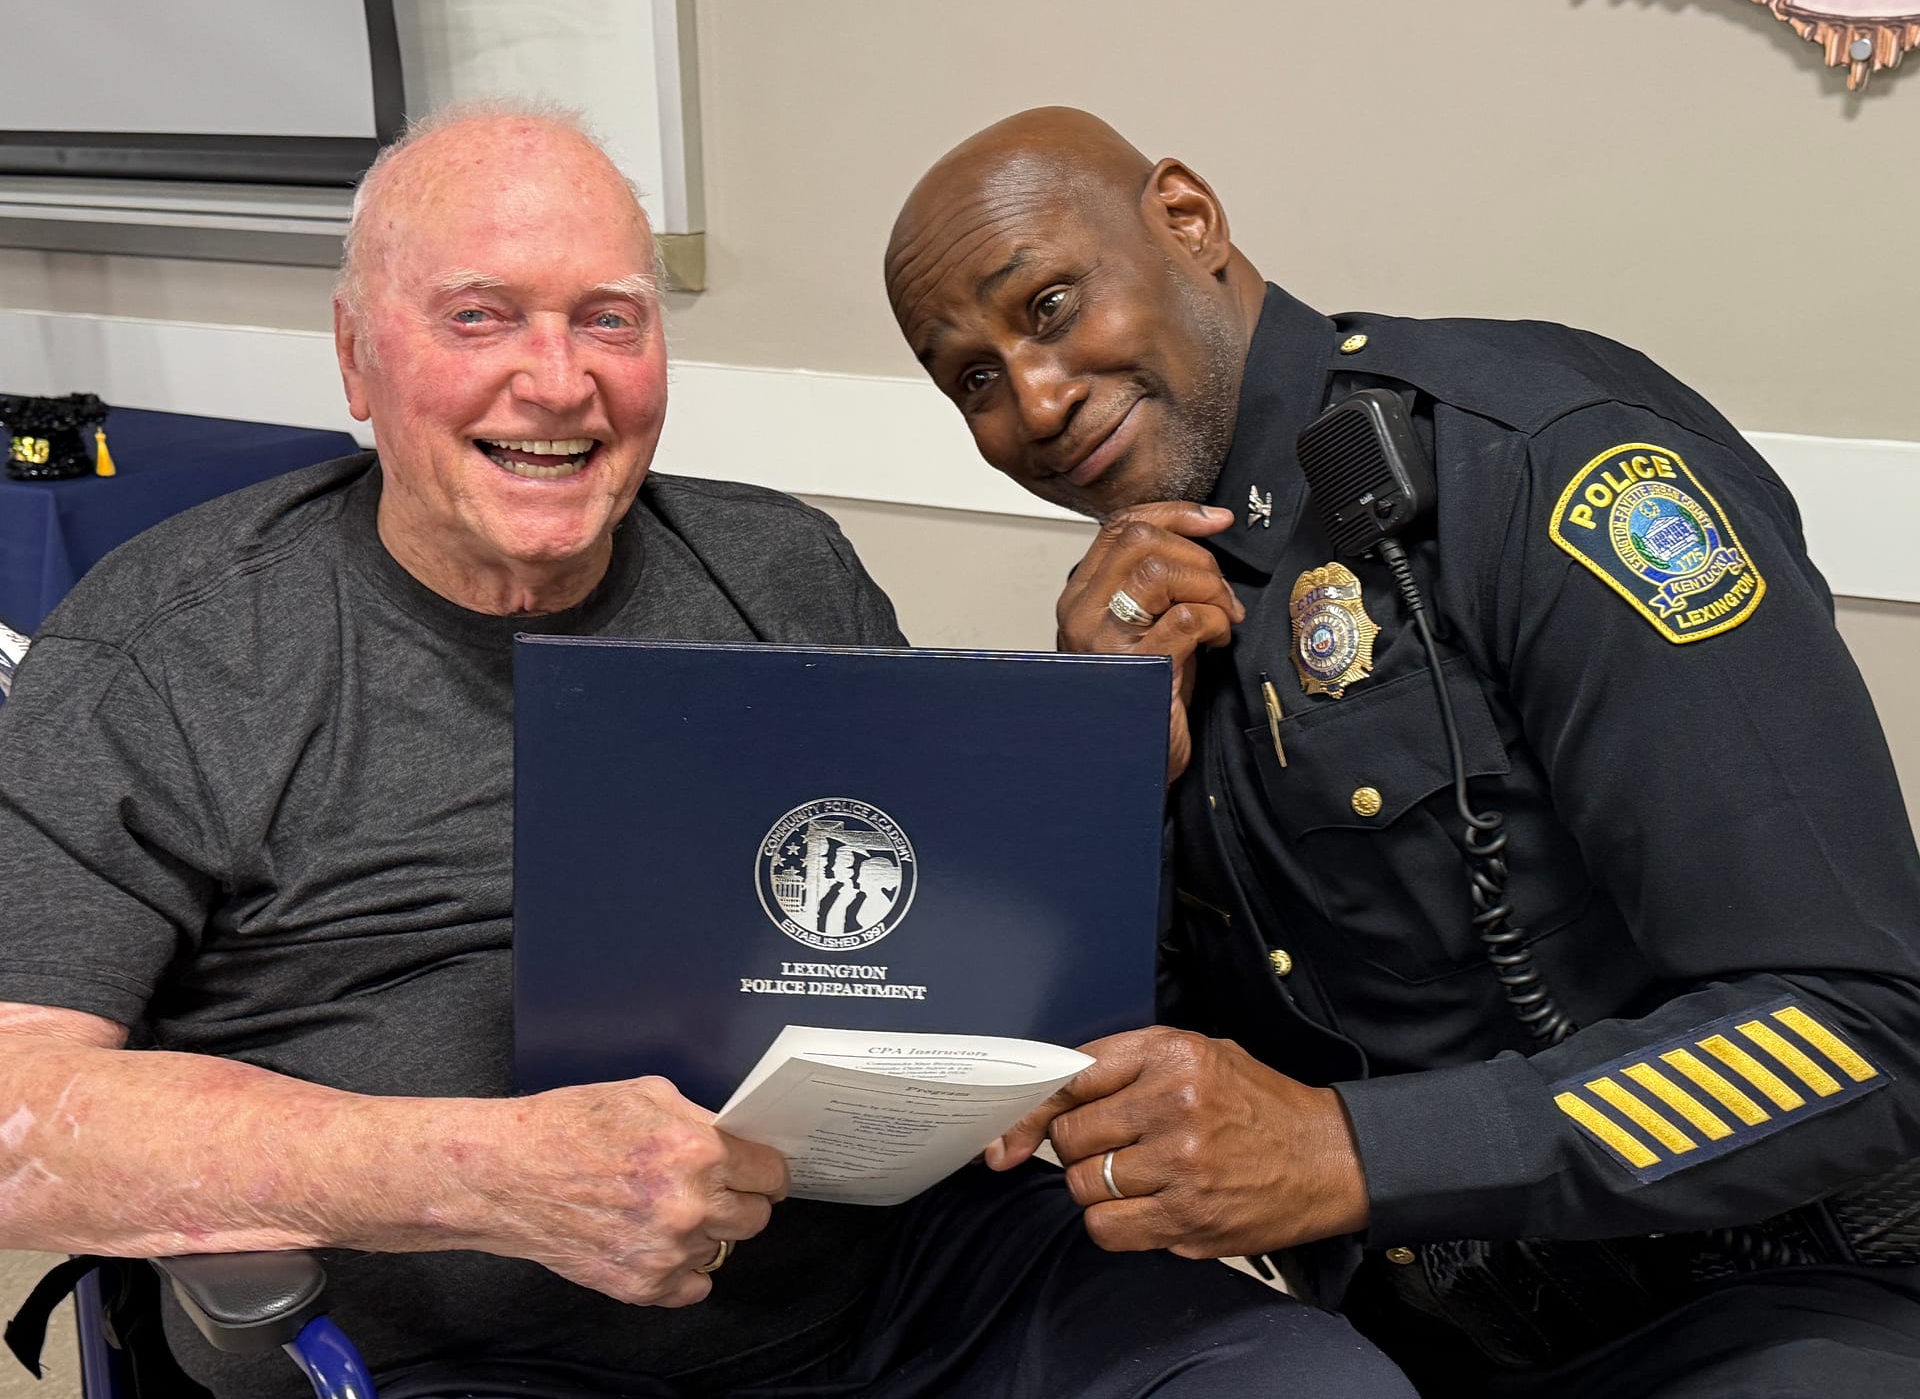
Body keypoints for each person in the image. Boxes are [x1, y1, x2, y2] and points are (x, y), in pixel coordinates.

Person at [0, 103, 1413, 1399]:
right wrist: (486, 1176)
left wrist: (1072, 821)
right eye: (480, 317)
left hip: (902, 1290)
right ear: (359, 357)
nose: (556, 383)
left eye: (608, 320)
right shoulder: (174, 648)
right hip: (460, 1347)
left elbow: (930, 916)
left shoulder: (776, 566)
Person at [884, 106, 1920, 1397]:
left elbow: (1860, 1032)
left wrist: (1348, 1151)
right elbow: (1114, 1060)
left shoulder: (1547, 464)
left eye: (1046, 306)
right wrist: (1095, 770)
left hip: (1784, 1294)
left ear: (1187, 221)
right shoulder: (1150, 603)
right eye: (972, 378)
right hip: (1432, 1338)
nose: (1032, 401)